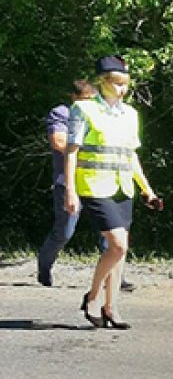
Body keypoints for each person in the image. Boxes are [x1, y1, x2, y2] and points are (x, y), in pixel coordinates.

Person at [63, 55, 159, 329]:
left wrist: (148, 190)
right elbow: (72, 152)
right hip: (94, 185)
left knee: (119, 252)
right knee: (118, 245)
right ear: (102, 82)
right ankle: (93, 298)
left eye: (125, 83)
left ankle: (111, 307)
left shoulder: (130, 114)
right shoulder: (83, 109)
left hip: (122, 187)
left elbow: (130, 156)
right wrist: (71, 190)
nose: (122, 88)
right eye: (117, 83)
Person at [36, 80, 96, 286]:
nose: (89, 104)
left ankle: (115, 276)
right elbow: (59, 142)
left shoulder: (100, 116)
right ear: (74, 98)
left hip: (98, 180)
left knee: (110, 229)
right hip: (68, 181)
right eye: (85, 100)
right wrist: (90, 155)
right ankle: (44, 264)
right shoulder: (61, 113)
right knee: (64, 231)